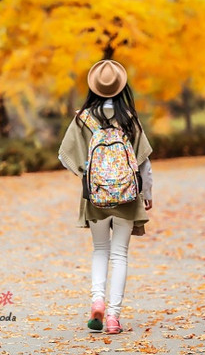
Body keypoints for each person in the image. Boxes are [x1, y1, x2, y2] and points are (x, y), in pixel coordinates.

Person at [58, 59, 153, 335]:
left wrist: (88, 175)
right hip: (127, 197)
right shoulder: (129, 119)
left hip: (95, 197)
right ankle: (113, 317)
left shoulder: (83, 119)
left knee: (100, 250)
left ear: (94, 88)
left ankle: (96, 300)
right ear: (120, 87)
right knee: (120, 255)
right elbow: (144, 162)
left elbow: (65, 157)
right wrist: (147, 193)